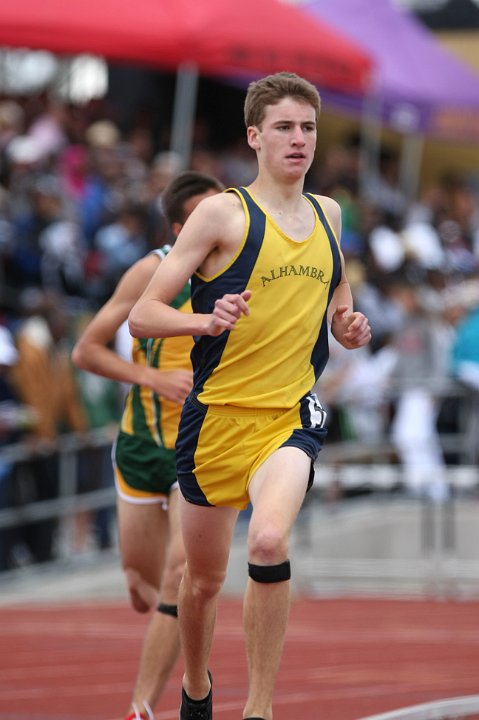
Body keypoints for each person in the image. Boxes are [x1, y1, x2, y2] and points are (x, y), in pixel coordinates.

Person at [128, 72, 371, 720]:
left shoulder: (328, 213)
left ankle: (259, 710)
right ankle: (198, 689)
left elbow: (337, 295)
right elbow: (144, 316)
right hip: (213, 424)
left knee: (267, 542)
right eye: (285, 128)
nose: (299, 140)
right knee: (198, 583)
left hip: (286, 416)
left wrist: (347, 324)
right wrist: (203, 321)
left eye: (309, 128)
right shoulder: (220, 214)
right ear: (254, 136)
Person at [72, 170, 224, 720]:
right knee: (142, 584)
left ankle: (141, 706)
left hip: (202, 446)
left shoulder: (245, 266)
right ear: (183, 227)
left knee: (179, 576)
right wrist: (153, 380)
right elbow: (86, 352)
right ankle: (152, 602)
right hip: (141, 446)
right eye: (209, 217)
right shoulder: (152, 270)